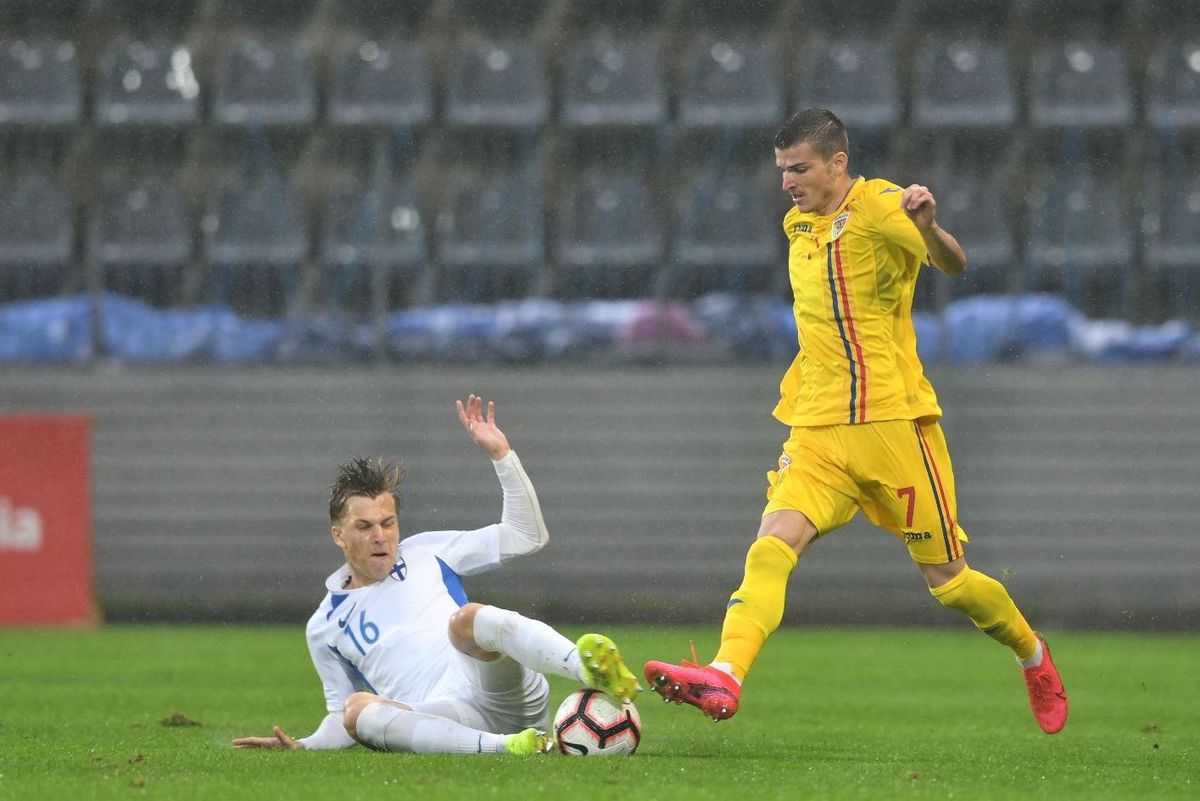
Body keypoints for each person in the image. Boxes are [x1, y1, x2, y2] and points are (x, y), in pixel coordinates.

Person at [644, 108, 1068, 735]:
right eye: (782, 170)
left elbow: (953, 263)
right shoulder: (799, 224)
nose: (787, 182)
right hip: (817, 428)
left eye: (799, 169)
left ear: (837, 163)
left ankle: (1032, 654)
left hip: (891, 426)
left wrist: (929, 227)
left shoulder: (879, 207)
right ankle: (725, 674)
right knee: (770, 548)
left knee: (949, 583)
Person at [234, 394, 639, 755]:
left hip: (500, 687)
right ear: (338, 535)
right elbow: (340, 716)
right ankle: (512, 747)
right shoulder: (323, 626)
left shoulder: (426, 552)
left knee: (465, 621)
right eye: (365, 527)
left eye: (388, 523)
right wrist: (305, 745)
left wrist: (502, 456)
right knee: (357, 711)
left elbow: (526, 535)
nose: (381, 537)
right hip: (445, 717)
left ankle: (587, 667)